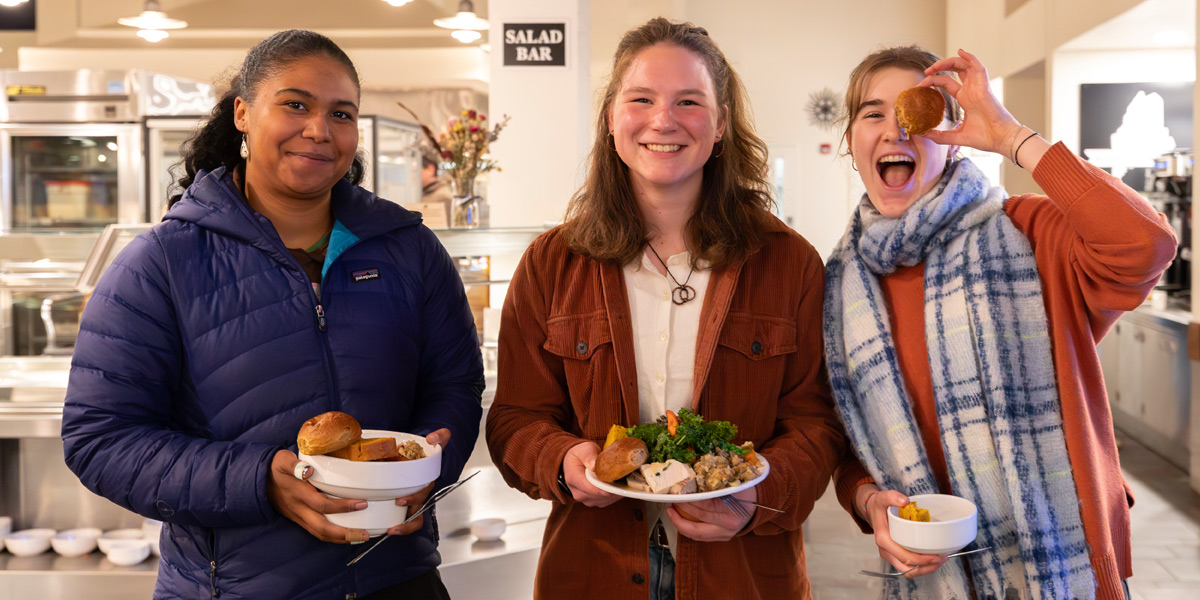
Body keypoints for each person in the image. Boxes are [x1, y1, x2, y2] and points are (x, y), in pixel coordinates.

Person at [60, 29, 483, 599]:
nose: (320, 130)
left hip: (396, 578)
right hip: (235, 587)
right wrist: (258, 480)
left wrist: (426, 469)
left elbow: (454, 385)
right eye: (295, 105)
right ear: (242, 113)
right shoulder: (161, 262)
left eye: (341, 113)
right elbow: (101, 439)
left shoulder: (409, 249)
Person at [485, 17, 847, 600]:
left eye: (689, 101)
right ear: (611, 118)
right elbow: (515, 417)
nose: (663, 120)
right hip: (592, 569)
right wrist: (562, 458)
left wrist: (755, 496)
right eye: (642, 99)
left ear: (721, 124)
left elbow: (817, 424)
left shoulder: (788, 262)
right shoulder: (551, 263)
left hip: (743, 575)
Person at [824, 46, 1177, 600]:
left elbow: (1145, 244)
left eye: (914, 111)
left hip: (1066, 566)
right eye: (873, 113)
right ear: (851, 141)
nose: (895, 129)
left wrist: (1013, 137)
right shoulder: (840, 287)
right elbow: (846, 440)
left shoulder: (1027, 231)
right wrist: (868, 501)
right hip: (932, 573)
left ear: (950, 136)